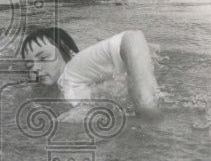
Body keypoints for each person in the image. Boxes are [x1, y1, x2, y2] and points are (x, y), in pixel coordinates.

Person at [20, 27, 160, 119]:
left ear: (69, 52)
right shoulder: (75, 81)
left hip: (131, 44)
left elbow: (131, 38)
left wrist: (144, 100)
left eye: (43, 58)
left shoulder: (71, 72)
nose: (35, 68)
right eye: (29, 65)